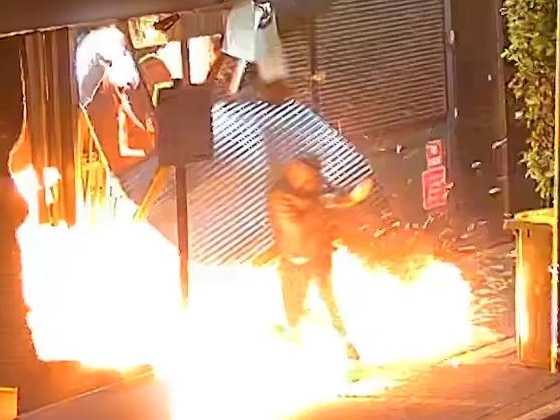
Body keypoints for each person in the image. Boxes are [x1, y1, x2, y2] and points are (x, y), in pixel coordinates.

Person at [267, 155, 374, 361]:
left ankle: (346, 344)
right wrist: (326, 204)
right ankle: (298, 348)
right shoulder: (281, 196)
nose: (316, 183)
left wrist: (350, 199)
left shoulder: (308, 195)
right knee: (295, 312)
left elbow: (323, 201)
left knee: (329, 302)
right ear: (297, 175)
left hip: (317, 257)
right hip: (294, 260)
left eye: (316, 179)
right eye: (311, 178)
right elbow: (296, 225)